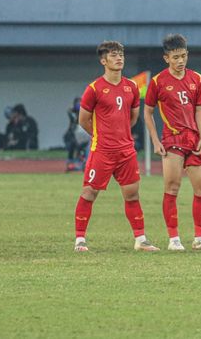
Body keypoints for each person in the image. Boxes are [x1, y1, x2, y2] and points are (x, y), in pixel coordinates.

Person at [73, 40, 158, 252]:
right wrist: (100, 136)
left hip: (126, 151)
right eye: (113, 55)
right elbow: (83, 120)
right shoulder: (94, 89)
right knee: (89, 193)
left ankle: (140, 239)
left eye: (121, 54)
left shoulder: (131, 87)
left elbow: (133, 117)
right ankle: (80, 240)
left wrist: (120, 135)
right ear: (103, 60)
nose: (119, 58)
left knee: (132, 194)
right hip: (101, 151)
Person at [144, 34, 201, 251]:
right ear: (166, 58)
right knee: (172, 186)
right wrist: (155, 140)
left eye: (184, 56)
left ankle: (200, 238)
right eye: (176, 57)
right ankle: (174, 239)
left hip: (194, 139)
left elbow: (199, 110)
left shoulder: (197, 78)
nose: (181, 61)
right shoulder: (158, 81)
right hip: (172, 139)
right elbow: (148, 112)